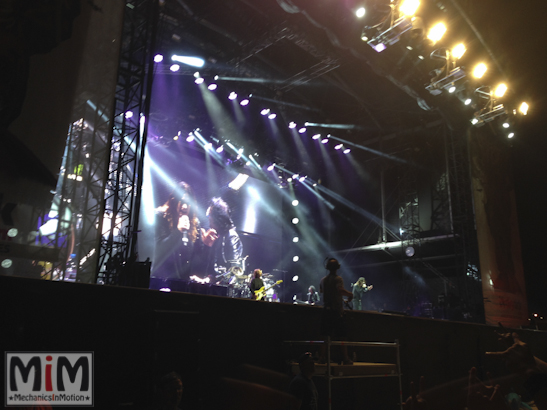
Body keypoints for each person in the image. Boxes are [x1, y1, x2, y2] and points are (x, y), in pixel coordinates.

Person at [153, 182, 213, 281]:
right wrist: (178, 231)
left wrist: (206, 246)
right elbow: (157, 252)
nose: (184, 207)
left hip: (183, 283)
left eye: (188, 203)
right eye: (181, 201)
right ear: (173, 201)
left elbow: (198, 262)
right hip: (160, 280)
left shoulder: (194, 223)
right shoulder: (161, 217)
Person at [319, 257, 354, 365]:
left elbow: (322, 291)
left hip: (326, 311)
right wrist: (350, 294)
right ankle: (345, 358)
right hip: (336, 312)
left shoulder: (323, 280)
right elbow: (340, 290)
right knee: (342, 335)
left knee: (326, 336)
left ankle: (321, 358)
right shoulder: (338, 279)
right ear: (337, 268)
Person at [204, 197, 243, 275]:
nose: (208, 219)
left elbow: (234, 270)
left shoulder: (231, 236)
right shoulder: (216, 235)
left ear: (217, 218)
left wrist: (211, 279)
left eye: (209, 216)